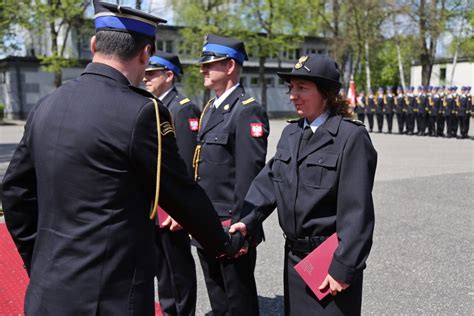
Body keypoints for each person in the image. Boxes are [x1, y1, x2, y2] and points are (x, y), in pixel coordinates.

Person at [1, 2, 244, 315]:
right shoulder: (143, 112)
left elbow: (15, 193)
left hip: (47, 292)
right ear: (145, 54)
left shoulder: (48, 104)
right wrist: (225, 244)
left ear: (93, 46)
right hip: (108, 297)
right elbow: (181, 193)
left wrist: (38, 259)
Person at [231, 54, 377, 315]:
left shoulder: (350, 137)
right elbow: (270, 180)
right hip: (296, 261)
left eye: (302, 88)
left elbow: (358, 212)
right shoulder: (292, 133)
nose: (292, 95)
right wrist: (248, 218)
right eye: (291, 88)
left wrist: (344, 267)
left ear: (326, 93)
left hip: (330, 263)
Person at [193, 34, 269, 315]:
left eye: (210, 64)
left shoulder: (246, 111)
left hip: (230, 225)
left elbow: (250, 177)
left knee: (238, 301)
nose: (203, 69)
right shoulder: (211, 108)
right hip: (207, 221)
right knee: (218, 297)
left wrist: (243, 228)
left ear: (230, 67)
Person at [143, 51, 200, 315]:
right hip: (155, 203)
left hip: (172, 207)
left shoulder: (182, 107)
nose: (146, 77)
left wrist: (182, 209)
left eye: (152, 74)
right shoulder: (152, 104)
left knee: (177, 269)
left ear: (168, 76)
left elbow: (187, 163)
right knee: (162, 269)